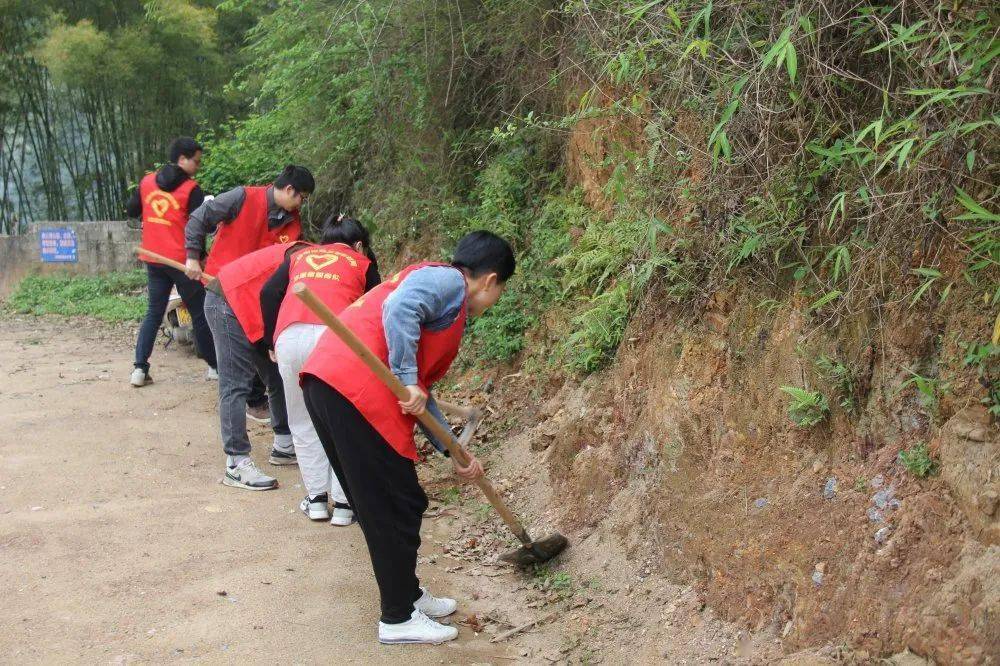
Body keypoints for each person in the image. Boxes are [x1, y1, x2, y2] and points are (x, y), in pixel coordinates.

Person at [300, 231, 514, 645]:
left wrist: (452, 449)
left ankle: (407, 594)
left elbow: (420, 396)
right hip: (352, 391)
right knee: (391, 505)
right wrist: (406, 376)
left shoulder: (444, 299)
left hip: (336, 386)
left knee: (397, 502)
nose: (495, 299)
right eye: (500, 290)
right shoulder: (447, 281)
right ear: (489, 280)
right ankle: (397, 618)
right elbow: (400, 310)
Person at [260, 214, 381, 525]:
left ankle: (316, 500)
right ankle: (343, 505)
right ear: (358, 244)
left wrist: (272, 341)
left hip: (290, 337)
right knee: (343, 423)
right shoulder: (361, 262)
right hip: (334, 340)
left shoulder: (299, 255)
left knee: (302, 421)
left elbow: (267, 293)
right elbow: (376, 310)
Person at [185, 164, 314, 425]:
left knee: (275, 370)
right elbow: (200, 217)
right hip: (225, 295)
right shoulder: (242, 197)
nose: (302, 203)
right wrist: (192, 256)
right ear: (290, 190)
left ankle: (283, 441)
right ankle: (237, 457)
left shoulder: (293, 222)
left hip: (258, 302)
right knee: (236, 378)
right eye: (302, 197)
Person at [203, 240, 308, 491]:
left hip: (253, 306)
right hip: (227, 301)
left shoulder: (316, 258)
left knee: (278, 373)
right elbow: (271, 293)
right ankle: (236, 463)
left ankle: (284, 445)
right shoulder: (308, 259)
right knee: (235, 384)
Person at [127, 137, 217, 387]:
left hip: (154, 258)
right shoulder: (191, 189)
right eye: (196, 161)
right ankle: (214, 366)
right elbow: (201, 228)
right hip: (183, 263)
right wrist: (197, 258)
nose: (198, 166)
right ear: (182, 159)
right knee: (200, 312)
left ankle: (139, 369)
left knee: (154, 313)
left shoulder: (146, 182)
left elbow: (132, 210)